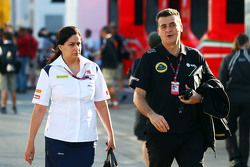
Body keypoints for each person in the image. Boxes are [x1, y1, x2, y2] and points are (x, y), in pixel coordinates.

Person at [133, 8, 229, 167]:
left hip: (192, 133)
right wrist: (151, 115)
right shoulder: (149, 58)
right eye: (163, 26)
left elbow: (213, 86)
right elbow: (138, 95)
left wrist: (199, 98)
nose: (168, 29)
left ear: (181, 27)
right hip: (160, 134)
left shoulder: (195, 56)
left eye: (172, 24)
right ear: (159, 30)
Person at [24, 26, 116, 167]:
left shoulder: (93, 68)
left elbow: (101, 105)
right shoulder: (50, 71)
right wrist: (31, 141)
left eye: (78, 44)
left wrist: (111, 135)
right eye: (71, 44)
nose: (76, 48)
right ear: (60, 46)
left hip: (86, 140)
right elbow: (39, 109)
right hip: (58, 140)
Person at [129, 31, 161, 167]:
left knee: (147, 142)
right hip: (162, 107)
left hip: (144, 107)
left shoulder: (141, 60)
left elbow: (133, 85)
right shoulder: (169, 59)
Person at [218, 33, 250, 167]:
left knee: (229, 129)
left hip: (231, 100)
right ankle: (243, 161)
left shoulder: (228, 58)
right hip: (248, 101)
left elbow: (221, 81)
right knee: (245, 131)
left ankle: (234, 158)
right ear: (247, 43)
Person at [0, 31, 18, 114]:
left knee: (4, 89)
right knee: (12, 89)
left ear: (4, 37)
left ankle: (3, 106)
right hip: (12, 69)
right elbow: (17, 57)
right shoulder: (14, 47)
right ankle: (14, 106)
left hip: (3, 70)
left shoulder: (2, 46)